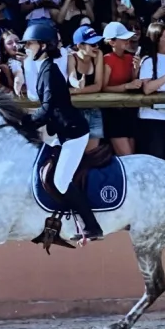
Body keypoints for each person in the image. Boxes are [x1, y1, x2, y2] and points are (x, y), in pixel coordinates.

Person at [20, 23, 103, 241]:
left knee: (60, 182)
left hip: (73, 134)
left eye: (30, 43)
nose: (26, 48)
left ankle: (93, 226)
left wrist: (25, 122)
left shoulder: (49, 70)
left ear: (44, 46)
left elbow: (47, 108)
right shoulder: (45, 68)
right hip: (61, 132)